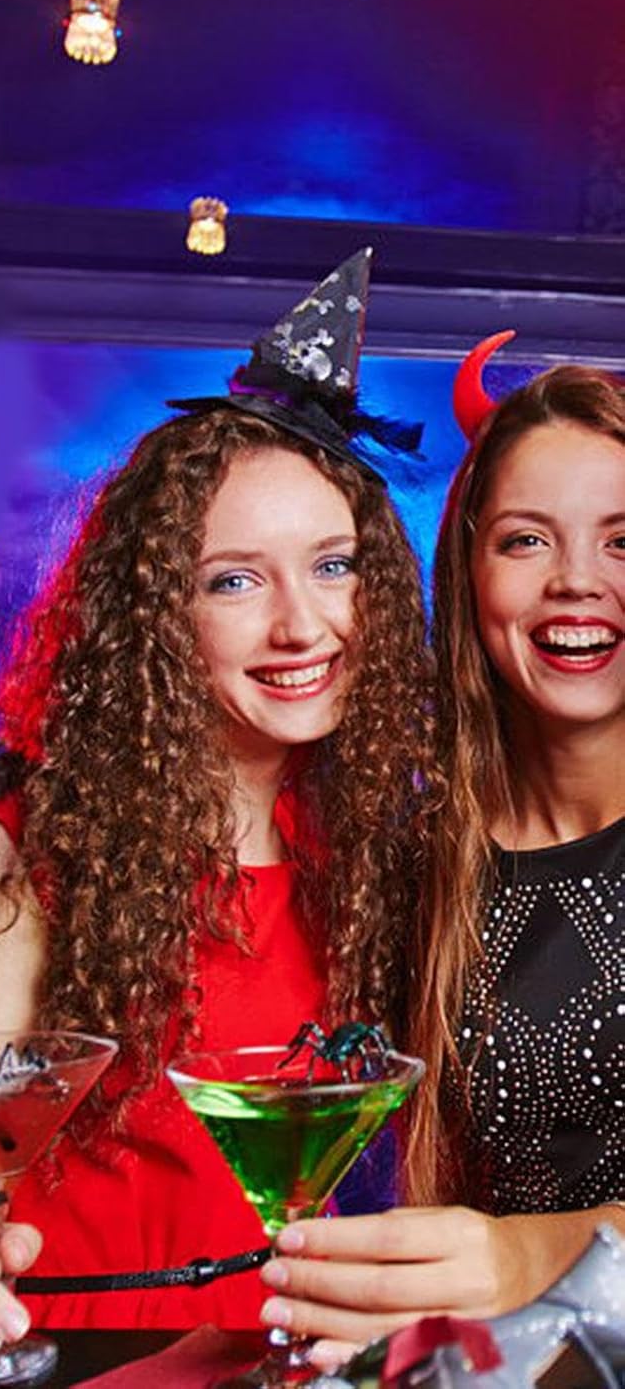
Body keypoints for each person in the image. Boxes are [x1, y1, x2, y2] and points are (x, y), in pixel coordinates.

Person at [0, 252, 438, 1336]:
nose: (302, 625)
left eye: (333, 566)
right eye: (234, 580)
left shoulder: (372, 853)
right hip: (80, 1351)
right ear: (156, 620)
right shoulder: (20, 858)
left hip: (286, 1349)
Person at [259, 355, 625, 1367]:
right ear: (468, 570)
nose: (576, 580)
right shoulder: (416, 851)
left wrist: (530, 1255)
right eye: (526, 540)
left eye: (623, 540)